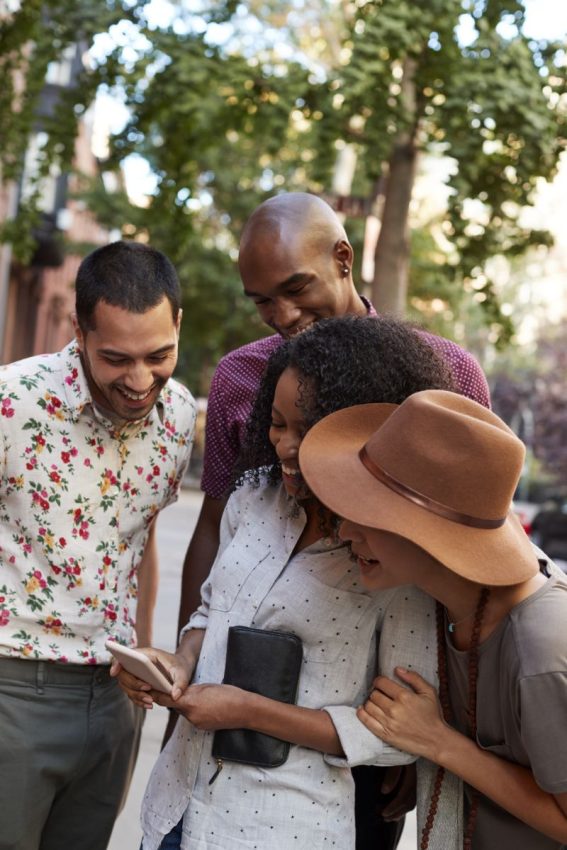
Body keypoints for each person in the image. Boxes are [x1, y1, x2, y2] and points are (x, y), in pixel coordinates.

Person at [170, 191, 491, 848]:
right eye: (262, 300)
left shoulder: (445, 372)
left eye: (295, 288)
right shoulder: (239, 378)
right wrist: (186, 666)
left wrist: (435, 737)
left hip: (379, 693)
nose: (283, 316)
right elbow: (214, 527)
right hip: (239, 721)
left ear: (342, 259)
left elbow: (464, 554)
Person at [117, 315, 460, 850]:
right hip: (175, 810)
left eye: (309, 429)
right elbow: (213, 612)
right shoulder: (252, 501)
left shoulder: (394, 559)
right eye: (277, 424)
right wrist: (178, 663)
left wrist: (250, 712)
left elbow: (398, 734)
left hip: (283, 827)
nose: (286, 446)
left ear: (360, 431)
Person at [298, 389, 567, 849]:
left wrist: (438, 742)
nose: (345, 531)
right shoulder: (441, 602)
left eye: (369, 515)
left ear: (433, 539)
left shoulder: (542, 648)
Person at [0, 241, 197, 850]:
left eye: (158, 355)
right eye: (116, 358)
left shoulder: (182, 415)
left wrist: (142, 657)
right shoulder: (11, 403)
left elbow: (144, 542)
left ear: (178, 326)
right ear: (78, 331)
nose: (140, 380)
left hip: (115, 701)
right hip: (13, 690)